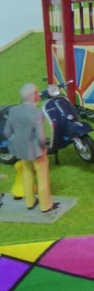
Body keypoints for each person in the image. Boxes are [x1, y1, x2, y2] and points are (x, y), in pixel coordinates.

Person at [3, 84, 58, 213]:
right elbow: (40, 137)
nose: (39, 94)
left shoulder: (14, 110)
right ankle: (46, 206)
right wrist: (45, 146)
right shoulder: (37, 113)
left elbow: (7, 132)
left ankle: (30, 202)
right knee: (42, 176)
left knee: (27, 173)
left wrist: (17, 142)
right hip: (37, 150)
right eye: (37, 93)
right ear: (33, 96)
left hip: (21, 149)